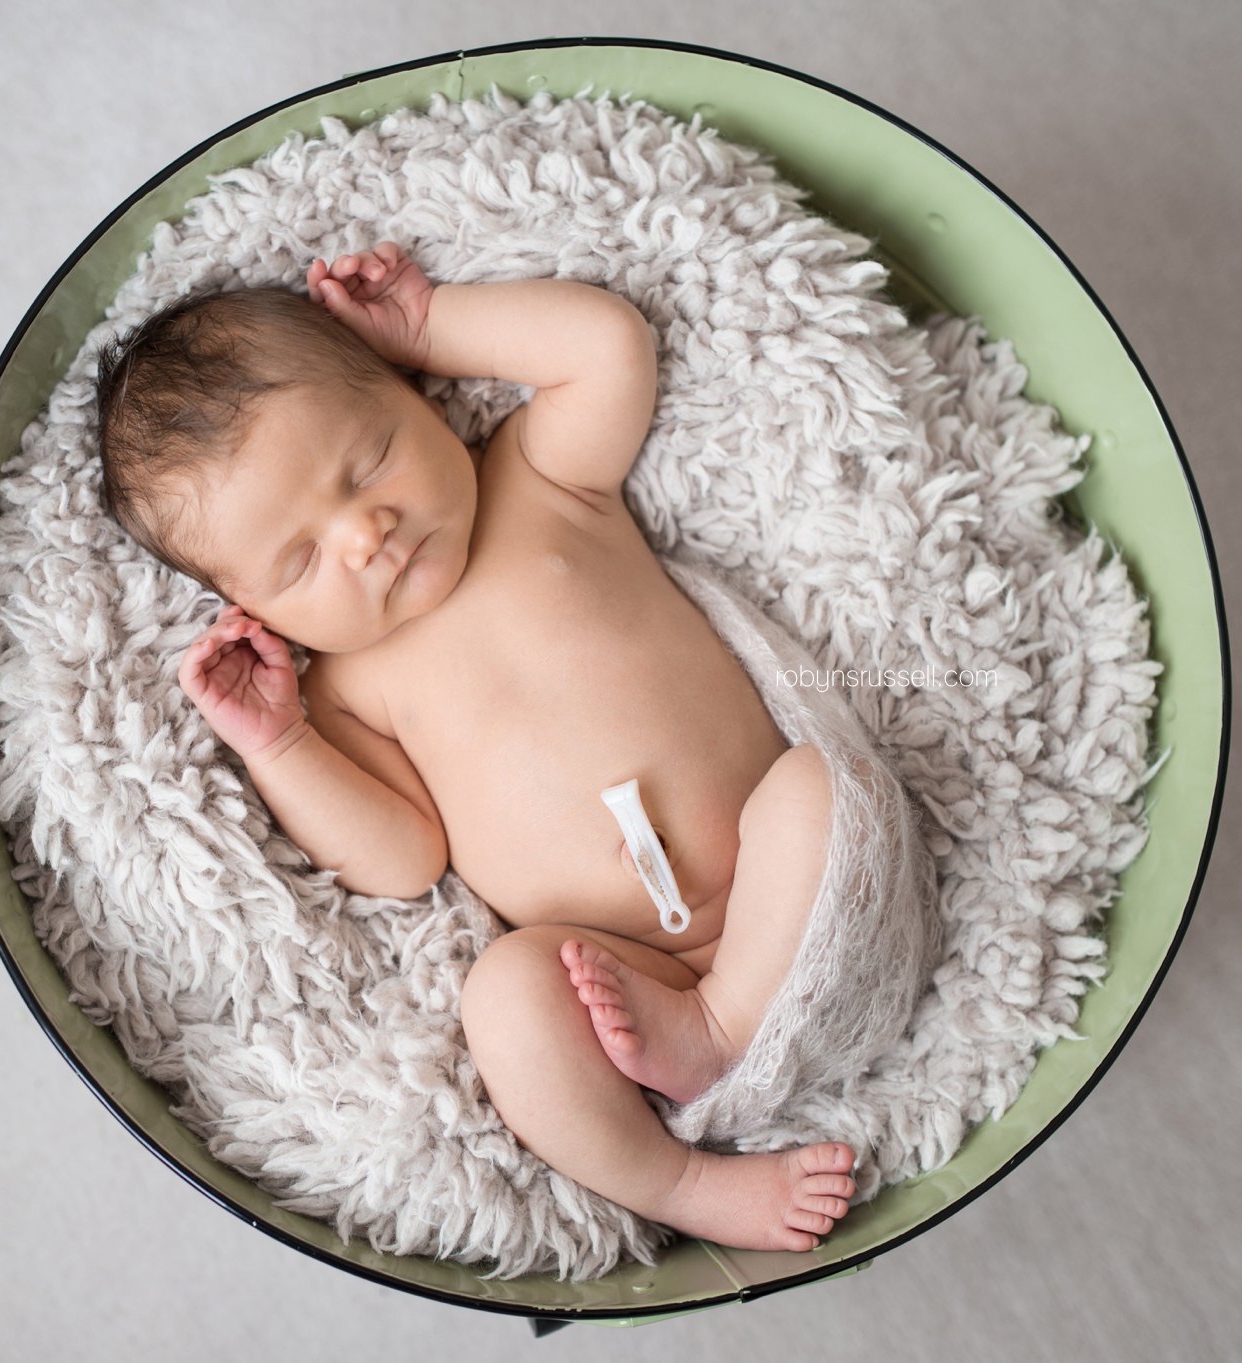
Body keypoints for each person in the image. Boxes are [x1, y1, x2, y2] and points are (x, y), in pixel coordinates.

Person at [94, 243, 916, 1251]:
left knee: (821, 788)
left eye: (367, 463)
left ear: (420, 397)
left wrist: (437, 320)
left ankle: (723, 1025)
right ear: (251, 608)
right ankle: (677, 1183)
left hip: (803, 911)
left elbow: (606, 348)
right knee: (506, 996)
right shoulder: (347, 692)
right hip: (621, 979)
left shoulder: (537, 478)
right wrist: (279, 743)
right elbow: (402, 859)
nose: (365, 534)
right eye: (301, 558)